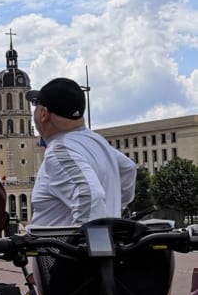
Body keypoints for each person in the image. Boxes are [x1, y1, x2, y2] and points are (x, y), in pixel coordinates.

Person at [26, 77, 136, 226]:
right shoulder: (97, 142)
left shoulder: (59, 150)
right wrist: (114, 209)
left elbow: (89, 196)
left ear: (43, 113)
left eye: (35, 105)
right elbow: (128, 168)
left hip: (58, 248)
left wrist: (87, 242)